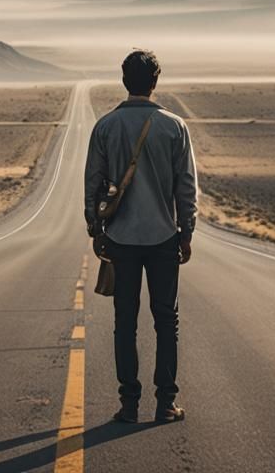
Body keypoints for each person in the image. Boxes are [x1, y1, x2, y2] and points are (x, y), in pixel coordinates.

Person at [84, 49, 199, 425]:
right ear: (155, 82)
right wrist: (186, 233)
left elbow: (92, 184)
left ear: (124, 81)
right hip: (164, 237)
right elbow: (187, 187)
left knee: (125, 321)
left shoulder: (105, 127)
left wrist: (95, 229)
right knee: (167, 321)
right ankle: (166, 403)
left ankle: (129, 404)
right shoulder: (174, 126)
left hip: (121, 239)